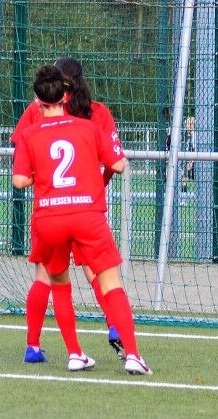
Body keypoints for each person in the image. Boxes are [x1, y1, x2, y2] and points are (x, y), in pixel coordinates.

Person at [12, 64, 152, 375]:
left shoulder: (31, 130)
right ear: (65, 95)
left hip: (49, 215)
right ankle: (130, 351)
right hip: (88, 210)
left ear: (37, 100)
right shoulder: (92, 123)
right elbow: (117, 163)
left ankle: (65, 351)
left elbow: (20, 179)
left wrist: (43, 176)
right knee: (106, 279)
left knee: (53, 281)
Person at [181, 116, 196, 194]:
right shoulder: (187, 135)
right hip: (188, 158)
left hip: (194, 160)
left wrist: (191, 162)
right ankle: (184, 196)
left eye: (187, 124)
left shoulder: (194, 135)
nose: (186, 126)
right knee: (184, 176)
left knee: (194, 177)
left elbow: (195, 150)